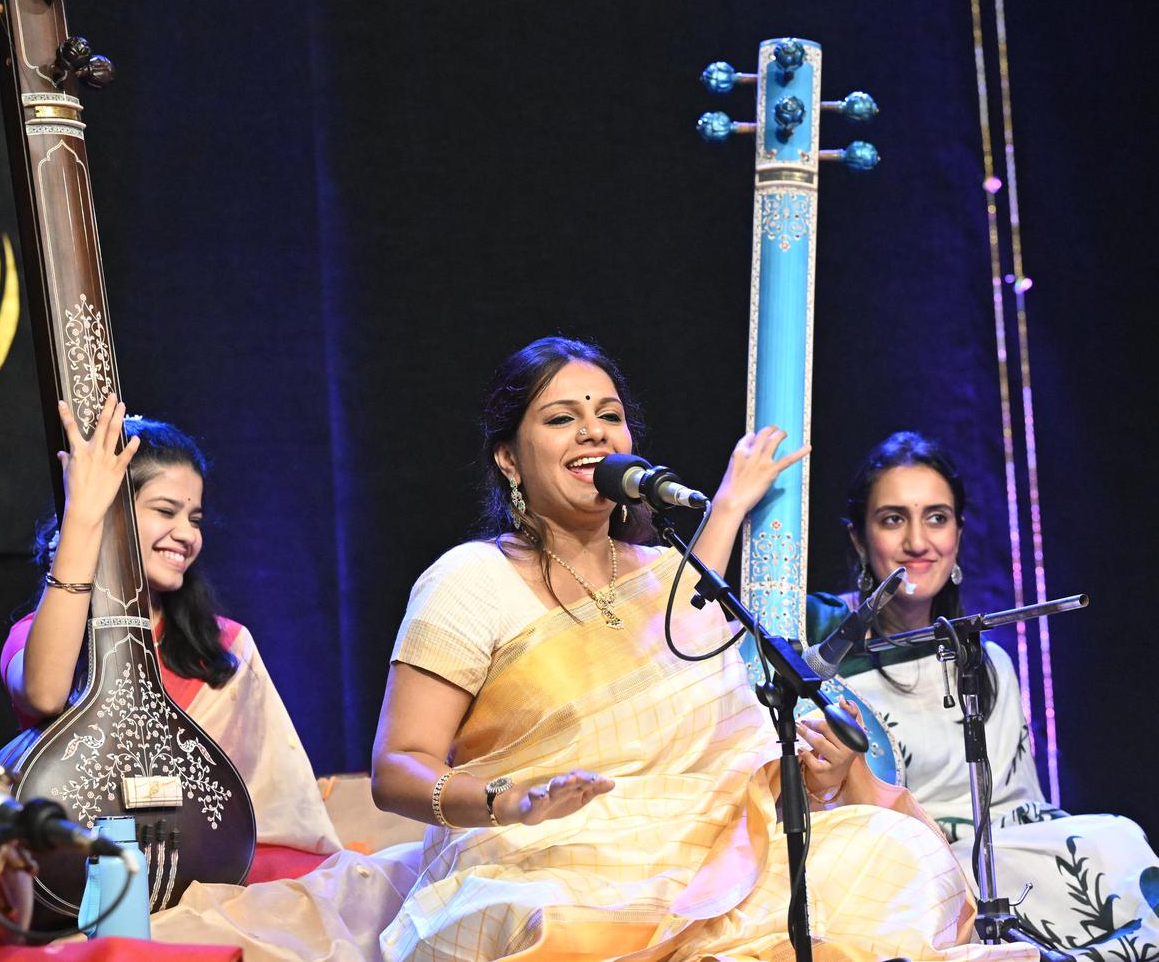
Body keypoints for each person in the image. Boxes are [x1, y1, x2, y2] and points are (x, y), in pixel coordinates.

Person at [371, 336, 1038, 962]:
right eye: (560, 417)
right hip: (544, 858)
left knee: (892, 853)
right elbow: (398, 765)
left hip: (705, 851)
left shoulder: (664, 574)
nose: (594, 431)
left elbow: (718, 734)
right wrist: (504, 799)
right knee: (557, 912)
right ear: (508, 456)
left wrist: (819, 764)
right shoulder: (470, 580)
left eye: (608, 413)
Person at [0, 397, 415, 959]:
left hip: (211, 874)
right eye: (165, 511)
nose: (186, 533)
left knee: (378, 893)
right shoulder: (39, 634)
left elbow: (268, 806)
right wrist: (83, 518)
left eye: (194, 518)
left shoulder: (223, 646)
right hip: (80, 885)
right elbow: (45, 693)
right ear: (111, 507)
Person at [805, 431, 1159, 962]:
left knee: (1118, 839)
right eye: (893, 518)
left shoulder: (991, 662)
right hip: (913, 862)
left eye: (937, 517)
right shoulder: (824, 653)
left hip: (1009, 851)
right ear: (859, 538)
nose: (918, 542)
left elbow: (1027, 808)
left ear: (959, 533)